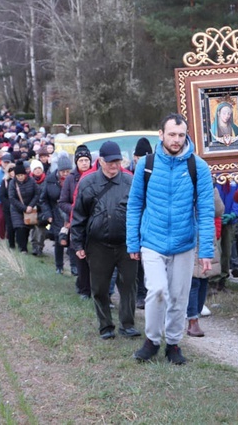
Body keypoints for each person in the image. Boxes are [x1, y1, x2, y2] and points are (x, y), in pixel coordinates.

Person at [127, 113, 215, 365]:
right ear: (161, 134)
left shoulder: (197, 166)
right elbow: (134, 205)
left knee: (179, 296)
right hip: (152, 240)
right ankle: (152, 340)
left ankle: (173, 344)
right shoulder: (147, 163)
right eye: (171, 134)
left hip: (184, 243)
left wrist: (205, 250)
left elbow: (206, 210)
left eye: (180, 135)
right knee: (157, 291)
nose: (176, 140)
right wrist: (133, 242)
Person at [70, 141, 139, 340]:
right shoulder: (87, 182)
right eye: (109, 162)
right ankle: (105, 326)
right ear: (100, 161)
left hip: (126, 243)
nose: (113, 166)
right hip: (98, 244)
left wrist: (139, 242)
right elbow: (79, 216)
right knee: (99, 287)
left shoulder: (130, 181)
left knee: (128, 285)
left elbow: (139, 212)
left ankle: (127, 324)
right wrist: (78, 244)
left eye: (117, 161)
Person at [186, 186, 224, 337]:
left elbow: (219, 210)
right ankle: (192, 318)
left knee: (203, 278)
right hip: (187, 235)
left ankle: (196, 312)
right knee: (193, 280)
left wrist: (212, 188)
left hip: (206, 236)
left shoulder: (208, 186)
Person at [59, 145, 93, 291]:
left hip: (94, 221)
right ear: (76, 162)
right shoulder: (70, 179)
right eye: (81, 160)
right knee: (80, 254)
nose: (84, 163)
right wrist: (76, 209)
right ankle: (83, 287)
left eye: (86, 160)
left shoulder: (96, 175)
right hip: (76, 221)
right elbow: (62, 202)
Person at [129, 137, 153, 310]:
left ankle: (148, 293)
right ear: (134, 157)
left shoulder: (154, 171)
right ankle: (139, 294)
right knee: (136, 262)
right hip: (135, 220)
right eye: (138, 157)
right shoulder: (128, 173)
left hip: (150, 221)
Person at [39, 153, 72, 274]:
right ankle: (59, 266)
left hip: (70, 212)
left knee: (72, 240)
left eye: (68, 171)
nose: (65, 174)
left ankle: (74, 266)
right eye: (63, 171)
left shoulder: (74, 179)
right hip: (56, 213)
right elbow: (43, 199)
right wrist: (48, 215)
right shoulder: (50, 180)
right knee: (59, 240)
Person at [8, 161, 41, 254]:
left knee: (27, 227)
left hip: (29, 208)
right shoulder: (12, 183)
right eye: (18, 176)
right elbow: (12, 198)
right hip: (16, 209)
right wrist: (23, 208)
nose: (20, 177)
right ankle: (22, 248)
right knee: (20, 228)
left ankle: (25, 244)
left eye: (22, 175)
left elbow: (37, 193)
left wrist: (30, 205)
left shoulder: (32, 181)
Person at [0, 153, 14, 240]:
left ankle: (10, 236)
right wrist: (1, 193)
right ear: (1, 162)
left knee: (11, 219)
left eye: (8, 162)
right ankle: (1, 236)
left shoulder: (13, 172)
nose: (6, 164)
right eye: (5, 162)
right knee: (1, 218)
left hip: (12, 200)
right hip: (0, 200)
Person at [29, 159, 47, 256]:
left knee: (41, 229)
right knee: (33, 228)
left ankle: (40, 247)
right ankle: (34, 246)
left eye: (39, 168)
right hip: (32, 208)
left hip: (43, 208)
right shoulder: (29, 181)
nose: (38, 170)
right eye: (35, 169)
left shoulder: (47, 180)